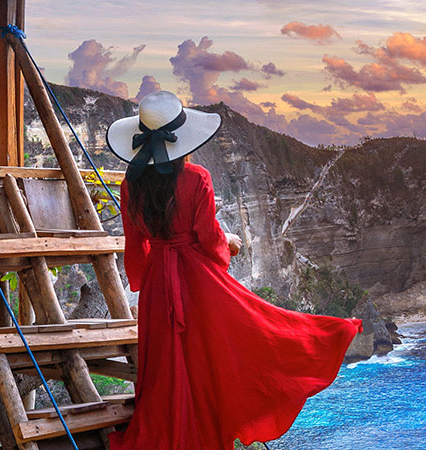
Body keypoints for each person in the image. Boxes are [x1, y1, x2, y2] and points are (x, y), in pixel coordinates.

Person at [105, 91, 362, 449]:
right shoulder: (196, 179)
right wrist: (230, 244)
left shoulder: (130, 184)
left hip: (157, 286)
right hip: (195, 280)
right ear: (182, 140)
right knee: (241, 339)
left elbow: (136, 244)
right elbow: (208, 240)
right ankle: (328, 337)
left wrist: (144, 281)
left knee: (166, 367)